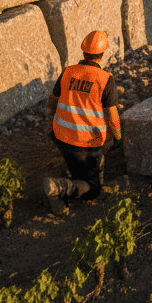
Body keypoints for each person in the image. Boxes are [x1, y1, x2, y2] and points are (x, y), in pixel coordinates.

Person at [43, 29, 122, 216]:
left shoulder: (68, 72)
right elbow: (112, 116)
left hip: (61, 136)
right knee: (92, 189)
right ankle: (58, 187)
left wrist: (57, 120)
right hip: (86, 142)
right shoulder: (105, 80)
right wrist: (118, 138)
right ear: (102, 54)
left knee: (79, 163)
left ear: (83, 51)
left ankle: (73, 177)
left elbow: (52, 102)